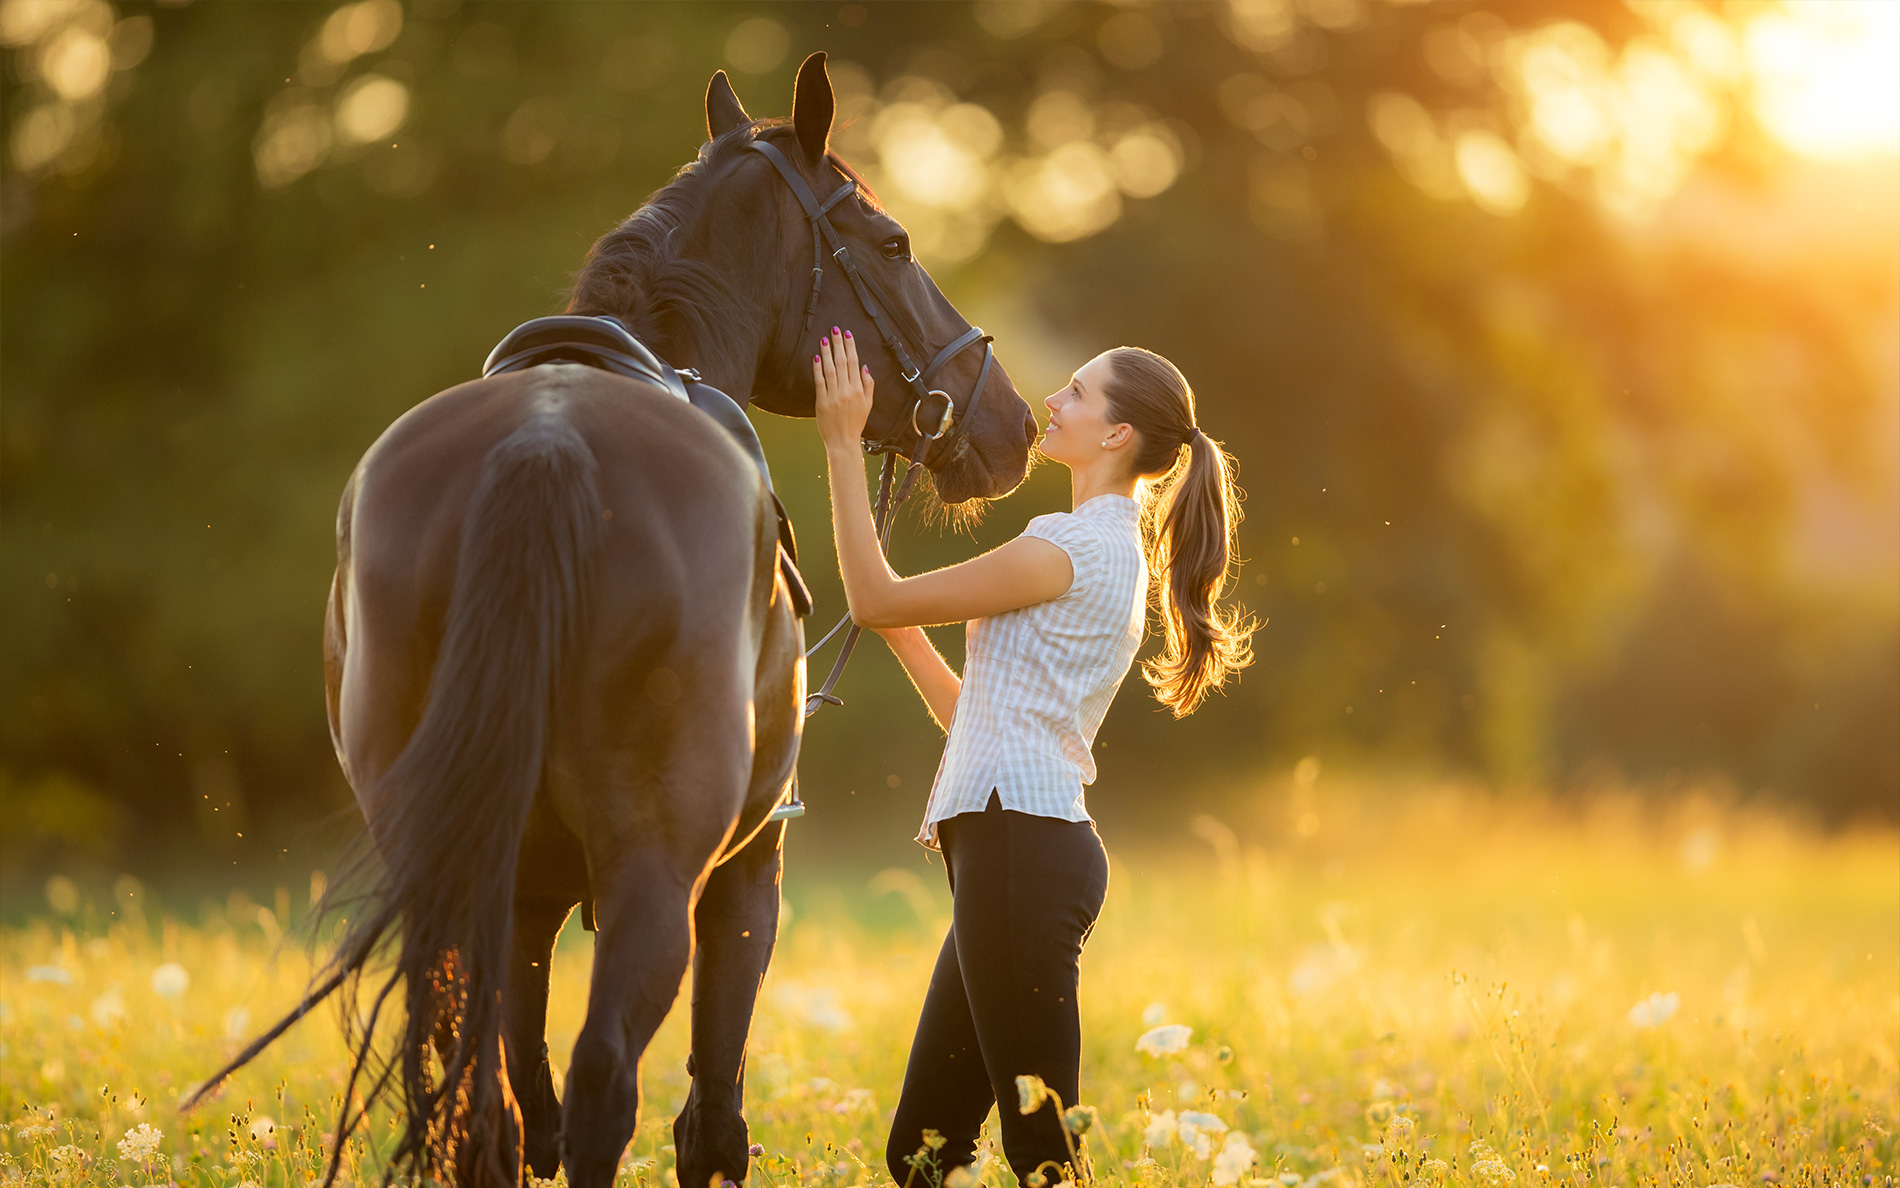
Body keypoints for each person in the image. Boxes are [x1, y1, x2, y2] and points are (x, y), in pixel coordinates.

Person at [810, 327, 1253, 1187]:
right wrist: (903, 632)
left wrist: (839, 443)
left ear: (1118, 434)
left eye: (1078, 392)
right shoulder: (1101, 549)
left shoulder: (1069, 548)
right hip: (1017, 849)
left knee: (1043, 1155)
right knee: (924, 1153)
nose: (1053, 399)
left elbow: (871, 597)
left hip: (1022, 852)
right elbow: (976, 719)